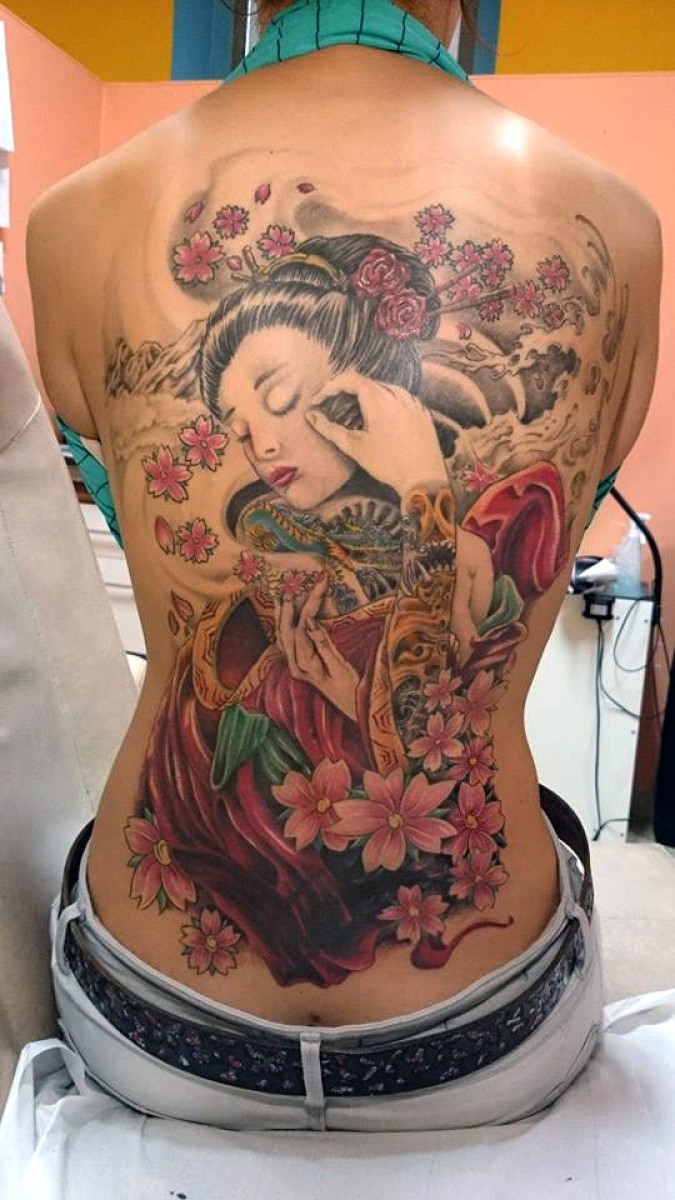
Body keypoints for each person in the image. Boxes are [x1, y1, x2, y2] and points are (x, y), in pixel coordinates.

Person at [28, 0, 661, 1132]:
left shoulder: (75, 218)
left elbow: (435, 668)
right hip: (479, 1034)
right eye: (237, 423)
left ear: (371, 374)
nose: (262, 446)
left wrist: (413, 497)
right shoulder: (617, 223)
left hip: (159, 1024)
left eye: (286, 399)